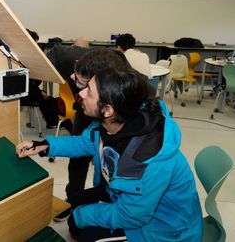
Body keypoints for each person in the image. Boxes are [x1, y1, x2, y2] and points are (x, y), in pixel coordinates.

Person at [16, 54, 202, 241]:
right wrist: (44, 145)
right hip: (124, 195)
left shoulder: (148, 161)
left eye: (88, 91)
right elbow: (84, 142)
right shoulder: (113, 122)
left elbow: (131, 216)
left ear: (107, 110)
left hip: (161, 229)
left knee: (87, 233)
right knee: (75, 204)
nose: (80, 93)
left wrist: (83, 215)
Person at [52, 48, 131, 222]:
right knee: (79, 158)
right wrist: (46, 145)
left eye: (84, 85)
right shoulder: (73, 58)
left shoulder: (128, 95)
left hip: (133, 209)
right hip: (88, 112)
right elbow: (81, 144)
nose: (72, 79)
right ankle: (75, 198)